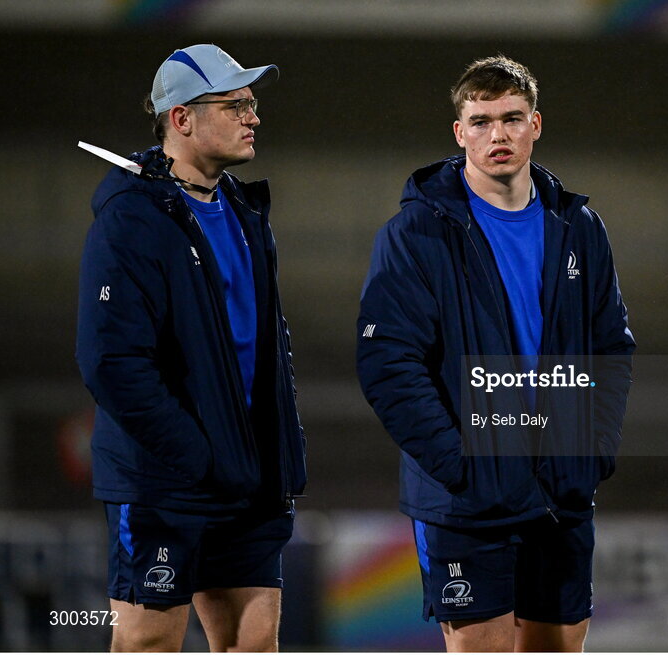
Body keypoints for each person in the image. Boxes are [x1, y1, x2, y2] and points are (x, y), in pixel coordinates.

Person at [357, 55, 635, 652]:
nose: (498, 135)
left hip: (559, 491)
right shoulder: (415, 234)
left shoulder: (580, 227)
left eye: (512, 118)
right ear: (460, 134)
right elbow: (388, 364)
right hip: (467, 502)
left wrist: (593, 448)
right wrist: (461, 466)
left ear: (536, 124)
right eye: (481, 122)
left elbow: (610, 346)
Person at [76, 44, 306, 652]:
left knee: (253, 643)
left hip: (248, 475)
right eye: (235, 105)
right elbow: (111, 362)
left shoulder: (242, 208)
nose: (253, 117)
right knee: (149, 642)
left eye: (252, 104)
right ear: (181, 118)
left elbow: (263, 342)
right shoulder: (132, 218)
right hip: (165, 478)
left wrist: (270, 449)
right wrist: (200, 458)